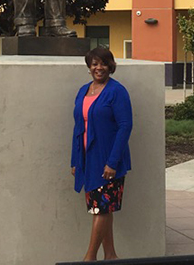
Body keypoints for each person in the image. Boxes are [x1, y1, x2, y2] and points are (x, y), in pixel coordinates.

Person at [71, 47, 133, 261]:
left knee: (102, 209)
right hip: (88, 159)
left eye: (103, 63)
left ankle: (89, 258)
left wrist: (112, 162)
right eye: (95, 64)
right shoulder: (83, 91)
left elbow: (125, 126)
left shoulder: (117, 91)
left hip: (108, 161)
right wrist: (75, 160)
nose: (99, 68)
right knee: (102, 209)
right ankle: (111, 256)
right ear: (89, 67)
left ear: (110, 66)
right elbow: (78, 126)